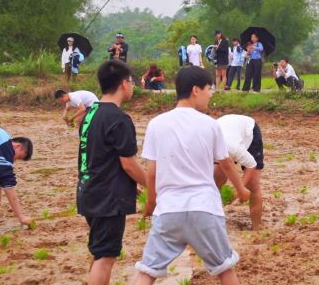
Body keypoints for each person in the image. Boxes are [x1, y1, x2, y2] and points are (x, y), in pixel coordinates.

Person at [134, 67, 250, 285]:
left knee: (147, 271)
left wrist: (151, 203)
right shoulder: (210, 125)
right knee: (225, 269)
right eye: (209, 89)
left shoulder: (156, 124)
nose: (211, 93)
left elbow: (152, 173)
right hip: (204, 209)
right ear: (196, 90)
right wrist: (241, 190)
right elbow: (225, 163)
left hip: (168, 210)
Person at [77, 60, 147, 285]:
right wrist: (152, 185)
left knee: (99, 252)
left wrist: (129, 184)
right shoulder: (119, 119)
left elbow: (99, 156)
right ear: (124, 84)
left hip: (89, 191)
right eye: (132, 82)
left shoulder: (90, 113)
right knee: (106, 257)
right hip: (108, 199)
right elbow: (128, 164)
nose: (133, 86)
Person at [215, 114, 264, 230]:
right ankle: (214, 222)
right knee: (215, 180)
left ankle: (256, 229)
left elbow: (251, 164)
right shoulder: (202, 149)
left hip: (248, 132)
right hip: (226, 130)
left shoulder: (233, 148)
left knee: (253, 184)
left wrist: (240, 189)